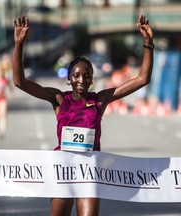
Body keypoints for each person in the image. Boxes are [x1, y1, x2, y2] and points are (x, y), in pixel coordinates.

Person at [13, 14, 153, 216]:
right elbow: (20, 82)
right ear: (69, 78)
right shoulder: (59, 98)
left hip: (89, 172)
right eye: (77, 75)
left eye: (87, 75)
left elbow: (142, 79)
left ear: (92, 79)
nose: (82, 79)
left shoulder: (100, 99)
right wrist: (19, 45)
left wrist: (148, 44)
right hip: (63, 168)